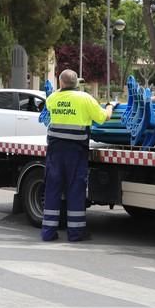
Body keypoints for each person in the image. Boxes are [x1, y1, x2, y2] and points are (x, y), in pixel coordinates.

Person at [42, 69, 114, 242]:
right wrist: (110, 107)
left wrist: (60, 88)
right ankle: (75, 233)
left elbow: (55, 103)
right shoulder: (85, 98)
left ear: (60, 83)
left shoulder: (52, 98)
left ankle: (48, 233)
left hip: (55, 150)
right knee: (75, 189)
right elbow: (102, 118)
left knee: (52, 189)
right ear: (77, 83)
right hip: (75, 151)